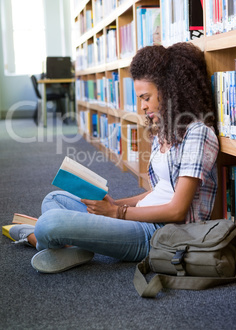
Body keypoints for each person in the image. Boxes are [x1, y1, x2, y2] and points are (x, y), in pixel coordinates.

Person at [10, 42, 219, 274]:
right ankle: (71, 245)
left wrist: (117, 213)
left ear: (169, 90)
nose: (142, 106)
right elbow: (161, 190)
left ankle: (34, 238)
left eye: (146, 97)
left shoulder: (198, 133)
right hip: (135, 217)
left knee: (48, 224)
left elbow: (177, 210)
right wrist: (113, 204)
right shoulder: (166, 130)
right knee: (54, 199)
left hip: (156, 233)